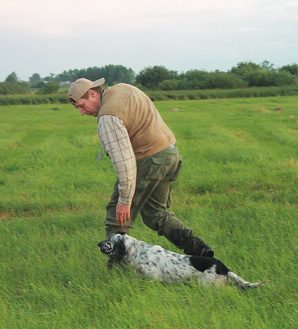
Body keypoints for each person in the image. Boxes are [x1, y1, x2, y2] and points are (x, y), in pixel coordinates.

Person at [68, 78, 214, 261]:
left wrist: (124, 200)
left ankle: (118, 271)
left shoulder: (108, 116)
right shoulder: (122, 89)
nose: (82, 112)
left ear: (92, 93)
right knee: (156, 214)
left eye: (82, 106)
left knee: (117, 216)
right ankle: (199, 250)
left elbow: (125, 163)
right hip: (170, 154)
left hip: (149, 160)